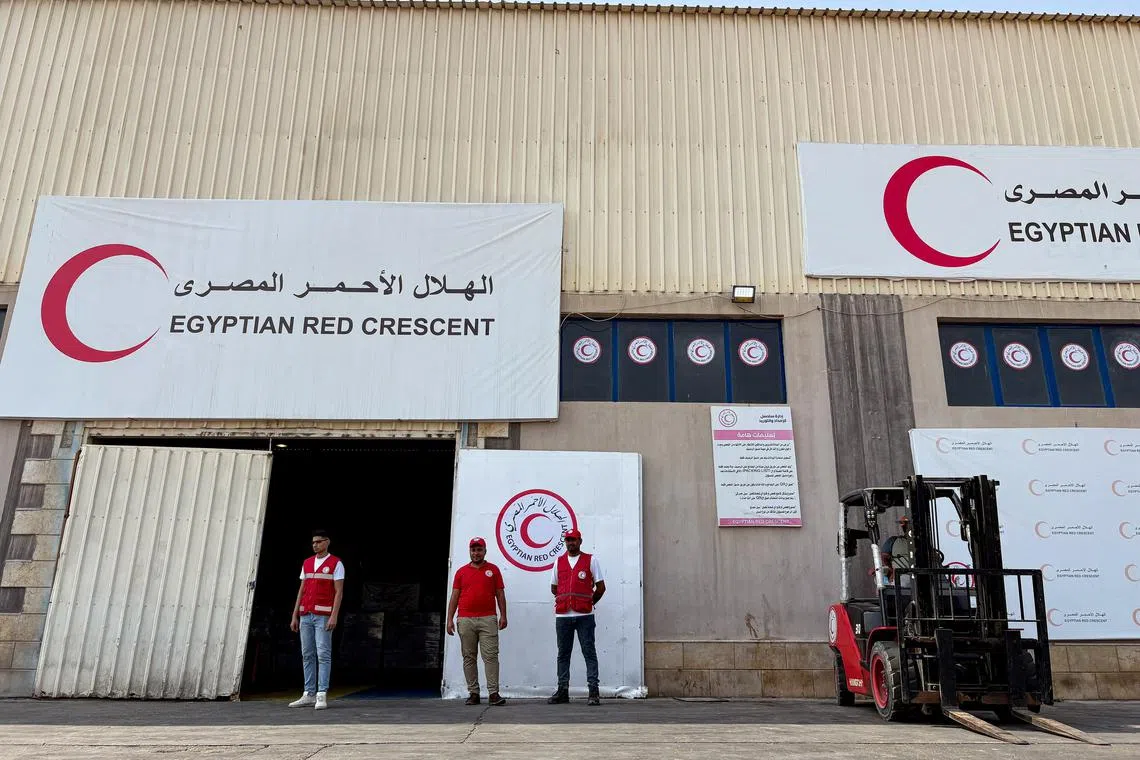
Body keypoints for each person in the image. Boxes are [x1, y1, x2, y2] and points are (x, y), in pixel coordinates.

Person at [446, 536, 508, 706]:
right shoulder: (461, 572)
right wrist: (449, 619)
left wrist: (503, 615)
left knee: (490, 656)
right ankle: (473, 693)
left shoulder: (493, 570)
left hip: (488, 618)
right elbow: (454, 597)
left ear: (485, 551)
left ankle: (493, 693)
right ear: (470, 552)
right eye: (473, 550)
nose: (476, 553)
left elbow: (500, 594)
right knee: (469, 657)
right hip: (465, 619)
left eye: (479, 549)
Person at [547, 528, 606, 706]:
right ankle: (562, 691)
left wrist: (588, 602)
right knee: (563, 654)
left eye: (574, 540)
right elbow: (554, 588)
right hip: (563, 615)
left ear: (580, 541)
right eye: (568, 540)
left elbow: (601, 587)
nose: (571, 543)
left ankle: (593, 692)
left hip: (585, 616)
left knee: (589, 652)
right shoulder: (559, 562)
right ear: (565, 542)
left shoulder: (591, 560)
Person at [288, 529, 344, 710]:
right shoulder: (307, 563)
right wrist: (295, 614)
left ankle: (321, 693)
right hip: (306, 615)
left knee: (323, 654)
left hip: (323, 616)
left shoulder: (336, 563)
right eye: (313, 542)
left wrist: (334, 615)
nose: (315, 545)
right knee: (307, 654)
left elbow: (338, 592)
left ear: (327, 542)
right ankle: (309, 693)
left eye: (319, 542)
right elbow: (301, 590)